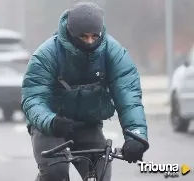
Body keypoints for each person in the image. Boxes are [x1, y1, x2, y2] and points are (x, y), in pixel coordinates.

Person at [21, 2, 149, 181]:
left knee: (101, 174)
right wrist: (51, 121)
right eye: (83, 37)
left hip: (88, 125)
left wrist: (136, 137)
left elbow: (129, 98)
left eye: (94, 37)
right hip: (51, 127)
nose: (90, 42)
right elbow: (33, 99)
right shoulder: (46, 55)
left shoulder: (115, 54)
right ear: (70, 32)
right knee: (55, 174)